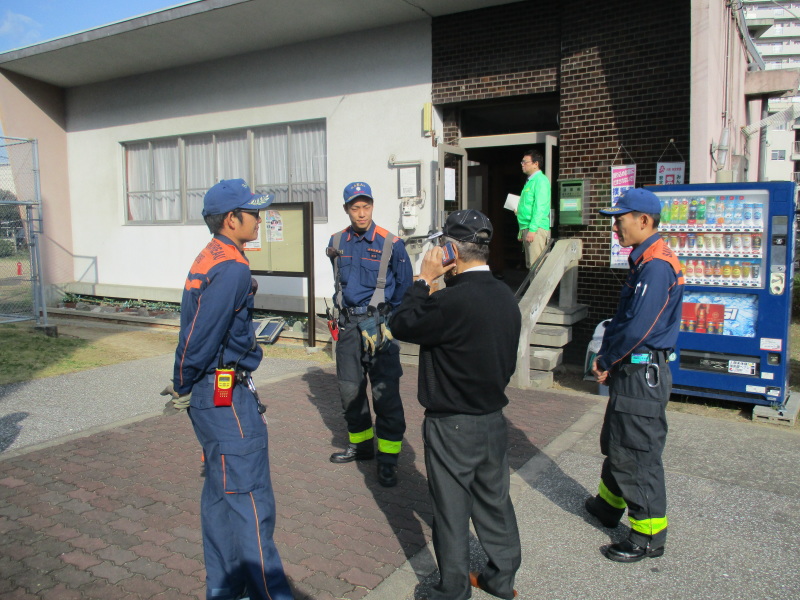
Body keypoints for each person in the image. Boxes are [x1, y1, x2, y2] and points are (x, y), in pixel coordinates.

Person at [161, 179, 293, 600]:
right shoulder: (231, 267)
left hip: (212, 392)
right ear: (231, 219)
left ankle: (224, 589)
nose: (260, 219)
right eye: (253, 213)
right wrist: (182, 380)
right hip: (224, 395)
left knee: (221, 498)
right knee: (250, 501)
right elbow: (200, 335)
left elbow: (200, 329)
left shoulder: (213, 256)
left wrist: (186, 382)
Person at [391, 209, 522, 600]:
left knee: (451, 508)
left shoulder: (450, 302)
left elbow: (402, 323)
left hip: (452, 423)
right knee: (494, 501)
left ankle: (453, 589)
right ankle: (502, 579)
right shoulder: (505, 296)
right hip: (493, 418)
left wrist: (422, 278)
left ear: (450, 250)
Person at [588, 187, 685, 563]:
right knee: (618, 440)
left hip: (641, 371)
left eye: (620, 218)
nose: (615, 226)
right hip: (633, 370)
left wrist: (607, 358)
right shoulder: (646, 259)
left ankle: (647, 536)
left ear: (644, 221)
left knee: (636, 451)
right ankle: (608, 506)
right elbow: (628, 321)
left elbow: (638, 327)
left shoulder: (656, 266)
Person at [326, 181, 412, 488]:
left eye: (366, 206)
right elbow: (339, 284)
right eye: (355, 207)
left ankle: (388, 460)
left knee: (385, 395)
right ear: (347, 209)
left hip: (379, 328)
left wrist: (389, 320)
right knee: (350, 392)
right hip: (348, 329)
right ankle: (361, 448)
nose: (361, 213)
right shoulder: (336, 241)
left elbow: (404, 288)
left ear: (372, 207)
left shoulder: (392, 243)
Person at [516, 149, 551, 269]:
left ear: (536, 164)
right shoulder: (530, 181)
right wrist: (522, 230)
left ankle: (537, 288)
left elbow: (540, 207)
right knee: (531, 264)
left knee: (536, 265)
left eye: (525, 162)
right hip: (529, 227)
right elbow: (528, 207)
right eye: (522, 162)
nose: (522, 164)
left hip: (535, 228)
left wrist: (532, 229)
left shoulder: (540, 181)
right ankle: (534, 288)